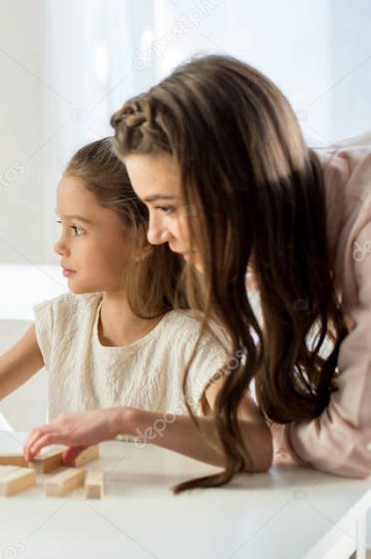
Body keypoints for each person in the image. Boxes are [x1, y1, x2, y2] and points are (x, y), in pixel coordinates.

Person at [0, 139, 271, 491]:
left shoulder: (191, 339)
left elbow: (258, 446)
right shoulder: (63, 321)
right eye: (61, 225)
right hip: (77, 530)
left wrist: (124, 420)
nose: (59, 245)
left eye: (78, 229)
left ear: (142, 239)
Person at [111, 54, 371, 480]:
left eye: (168, 208)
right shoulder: (297, 211)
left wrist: (268, 440)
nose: (156, 234)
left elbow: (355, 444)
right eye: (148, 208)